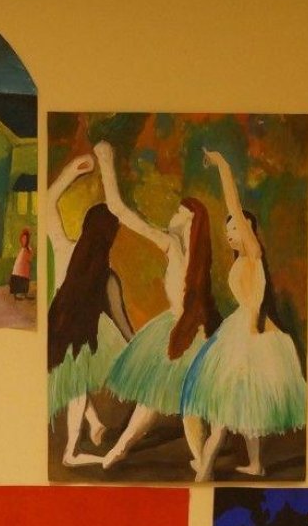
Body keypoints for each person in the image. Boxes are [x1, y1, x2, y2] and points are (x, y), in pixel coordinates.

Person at [93, 141, 221, 469]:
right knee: (180, 402)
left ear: (189, 220)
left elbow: (120, 210)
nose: (172, 216)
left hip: (184, 332)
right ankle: (195, 460)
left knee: (177, 402)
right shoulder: (197, 258)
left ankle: (192, 460)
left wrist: (106, 162)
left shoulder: (172, 246)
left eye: (178, 211)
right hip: (191, 332)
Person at [180, 150, 306, 481]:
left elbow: (233, 204)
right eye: (229, 228)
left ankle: (204, 471)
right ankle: (255, 464)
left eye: (238, 226)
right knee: (246, 404)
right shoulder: (242, 260)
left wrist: (223, 165)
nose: (231, 231)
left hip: (250, 334)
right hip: (241, 330)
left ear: (251, 231)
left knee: (226, 409)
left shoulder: (253, 252)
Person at [47, 155, 134, 466]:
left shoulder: (64, 250)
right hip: (82, 336)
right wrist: (138, 351)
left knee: (74, 377)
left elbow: (48, 204)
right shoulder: (108, 278)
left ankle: (93, 425)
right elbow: (122, 323)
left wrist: (71, 172)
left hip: (58, 331)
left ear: (85, 228)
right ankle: (71, 452)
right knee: (76, 380)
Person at [10, 228, 33, 299]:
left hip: (25, 269)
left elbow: (30, 259)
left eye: (25, 239)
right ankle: (16, 295)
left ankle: (25, 294)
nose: (24, 241)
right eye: (23, 239)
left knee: (24, 280)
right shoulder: (22, 250)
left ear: (27, 240)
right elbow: (19, 261)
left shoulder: (28, 249)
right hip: (19, 269)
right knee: (17, 278)